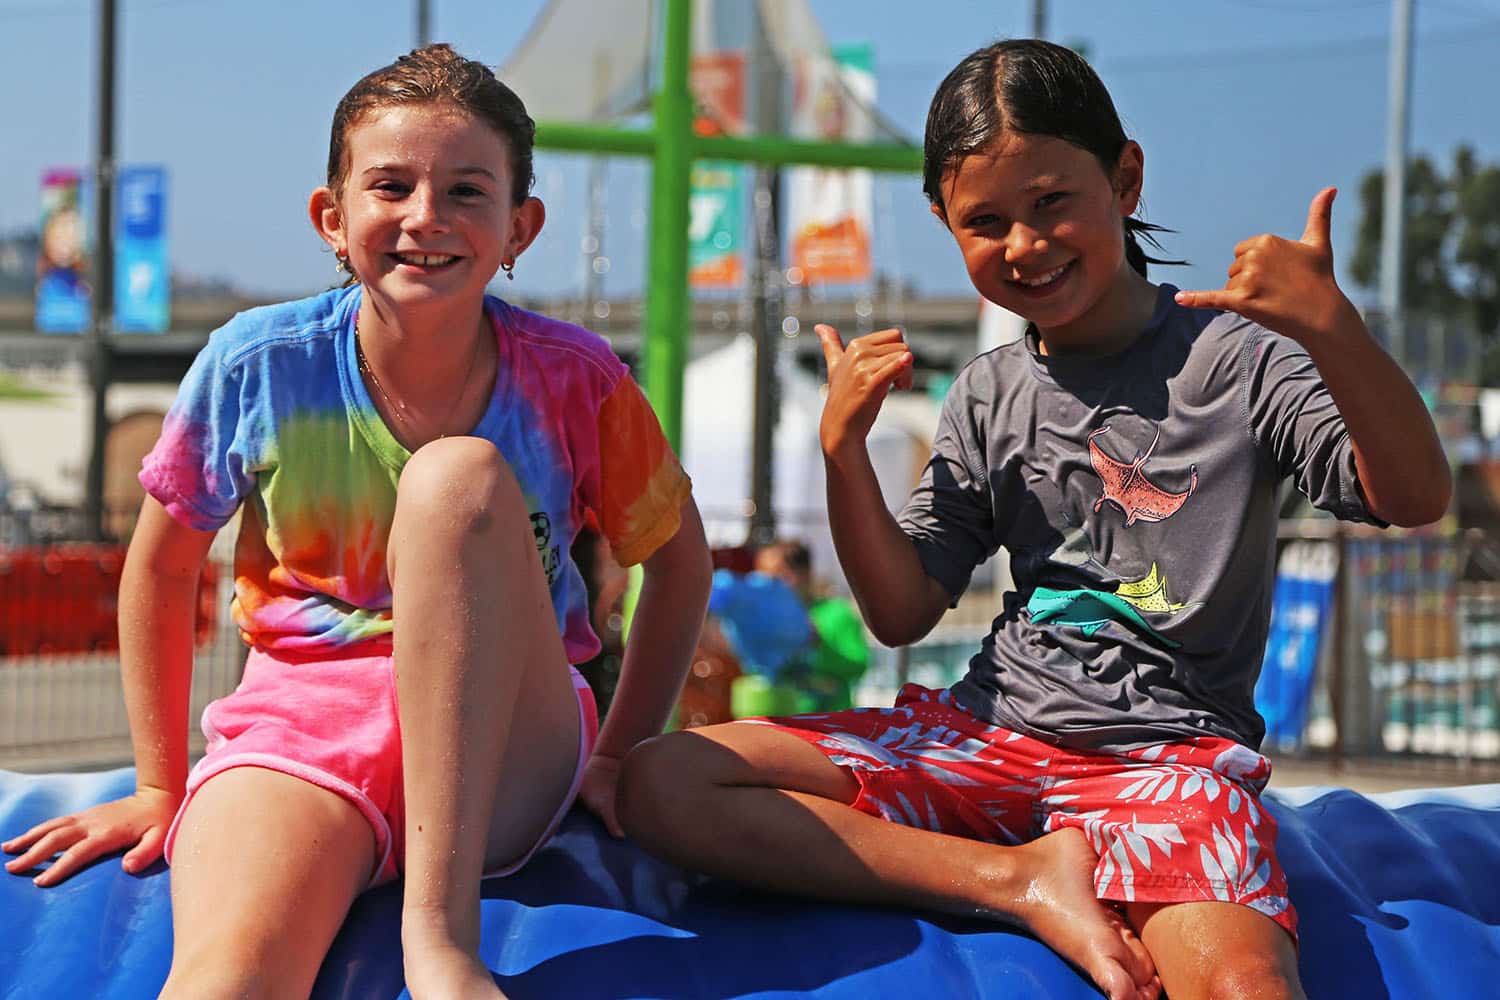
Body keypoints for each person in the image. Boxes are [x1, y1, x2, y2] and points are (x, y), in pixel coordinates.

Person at [617, 39, 1450, 1000]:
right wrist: (844, 455)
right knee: (664, 782)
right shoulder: (989, 392)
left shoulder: (1239, 360)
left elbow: (1414, 497)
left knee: (1243, 987)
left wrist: (1332, 330)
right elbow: (901, 612)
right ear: (945, 221)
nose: (1025, 243)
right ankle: (1018, 881)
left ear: (1125, 178)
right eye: (987, 220)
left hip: (1164, 762)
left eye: (1053, 201)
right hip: (983, 739)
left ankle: (1042, 872)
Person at [3, 44, 711, 1000]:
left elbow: (679, 564)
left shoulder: (575, 380)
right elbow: (163, 569)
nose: (428, 217)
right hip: (305, 733)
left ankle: (440, 936)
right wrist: (161, 787)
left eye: (467, 191)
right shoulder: (260, 363)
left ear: (520, 227)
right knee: (229, 977)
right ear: (332, 220)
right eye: (392, 186)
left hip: (504, 742)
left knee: (455, 481)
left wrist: (621, 753)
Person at [754, 539, 871, 711]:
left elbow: (858, 664)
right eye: (762, 579)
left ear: (804, 574)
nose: (770, 587)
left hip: (828, 724)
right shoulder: (764, 619)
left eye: (779, 577)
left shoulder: (835, 613)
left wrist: (817, 642)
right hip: (774, 720)